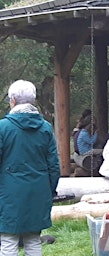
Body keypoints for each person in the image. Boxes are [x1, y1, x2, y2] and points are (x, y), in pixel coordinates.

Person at [0, 80, 60, 255]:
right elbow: (54, 165)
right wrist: (50, 191)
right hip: (38, 191)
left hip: (8, 192)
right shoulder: (46, 128)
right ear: (32, 101)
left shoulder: (3, 127)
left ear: (12, 100)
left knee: (8, 239)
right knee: (33, 239)